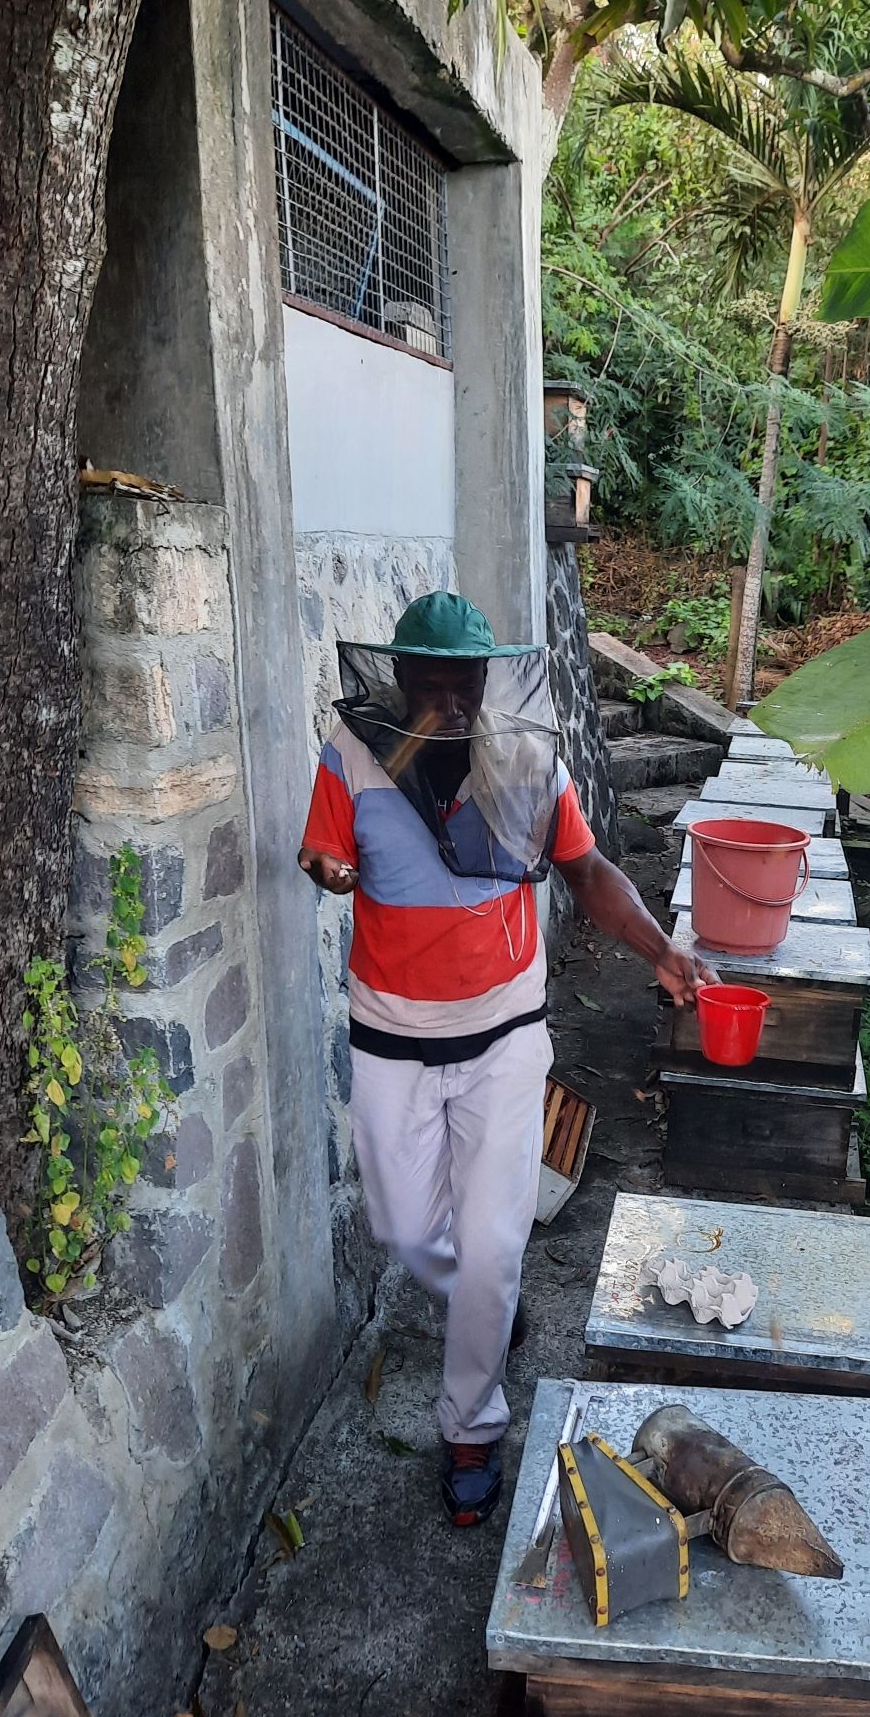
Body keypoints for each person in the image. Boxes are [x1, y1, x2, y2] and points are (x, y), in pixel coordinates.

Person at [298, 591, 711, 1527]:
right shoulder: (355, 756)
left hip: (504, 1038)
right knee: (408, 1234)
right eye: (432, 681)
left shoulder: (526, 760)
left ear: (489, 679)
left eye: (467, 681)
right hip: (390, 1035)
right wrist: (329, 872)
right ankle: (486, 1303)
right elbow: (321, 854)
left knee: (491, 1244)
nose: (450, 699)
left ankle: (472, 1428)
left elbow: (590, 871)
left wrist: (660, 950)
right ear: (398, 678)